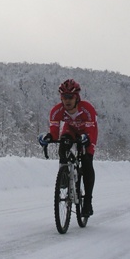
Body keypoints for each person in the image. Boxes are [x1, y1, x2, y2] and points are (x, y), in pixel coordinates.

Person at [39, 79, 98, 217]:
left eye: (70, 97)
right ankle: (65, 175)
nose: (67, 101)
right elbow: (54, 134)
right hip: (70, 129)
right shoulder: (56, 111)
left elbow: (91, 131)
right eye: (64, 97)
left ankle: (88, 201)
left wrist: (86, 140)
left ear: (77, 97)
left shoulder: (87, 109)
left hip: (87, 132)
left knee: (87, 161)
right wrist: (48, 138)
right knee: (63, 144)